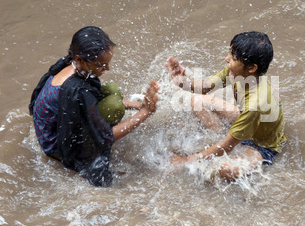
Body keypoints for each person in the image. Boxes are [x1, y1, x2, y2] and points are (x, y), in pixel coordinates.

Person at [29, 26, 159, 187]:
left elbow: (92, 97)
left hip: (57, 124)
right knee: (114, 107)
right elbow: (106, 137)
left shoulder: (72, 66)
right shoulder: (78, 91)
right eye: (101, 65)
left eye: (108, 63)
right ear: (80, 58)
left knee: (112, 90)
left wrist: (139, 106)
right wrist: (146, 112)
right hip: (56, 145)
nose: (107, 69)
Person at [165, 31, 287, 181]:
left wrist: (187, 160)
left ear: (252, 68)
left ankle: (227, 141)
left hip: (261, 145)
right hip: (249, 119)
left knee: (224, 170)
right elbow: (204, 87)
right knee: (197, 101)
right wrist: (181, 81)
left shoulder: (255, 103)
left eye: (234, 57)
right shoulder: (238, 73)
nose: (227, 58)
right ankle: (220, 134)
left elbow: (228, 146)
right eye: (230, 52)